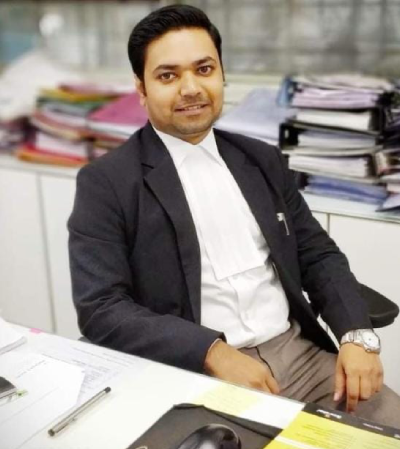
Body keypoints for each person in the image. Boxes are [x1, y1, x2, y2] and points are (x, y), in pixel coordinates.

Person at [68, 4, 400, 427]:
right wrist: (213, 352)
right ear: (141, 88)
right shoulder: (107, 182)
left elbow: (317, 254)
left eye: (204, 69)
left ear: (221, 74)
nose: (191, 88)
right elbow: (100, 307)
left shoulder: (260, 159)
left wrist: (357, 334)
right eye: (168, 76)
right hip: (199, 371)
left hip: (301, 356)